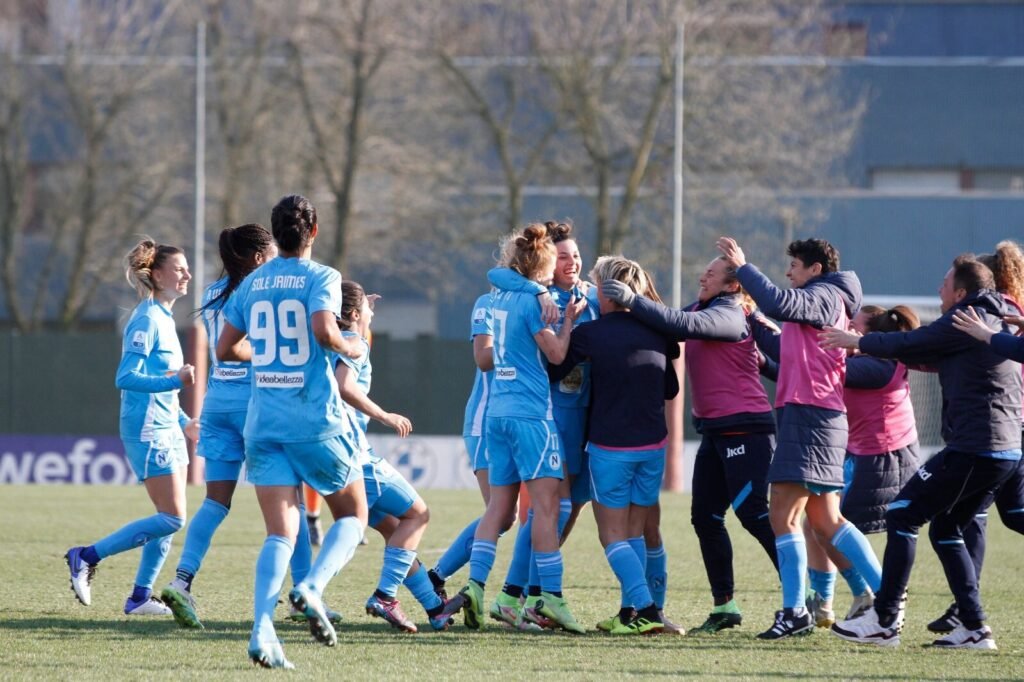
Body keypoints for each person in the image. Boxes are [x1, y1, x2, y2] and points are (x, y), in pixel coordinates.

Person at [824, 254, 1022, 650]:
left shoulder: (966, 316)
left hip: (977, 447)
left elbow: (914, 342)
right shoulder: (989, 317)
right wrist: (883, 350)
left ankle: (884, 620)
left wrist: (858, 341)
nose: (938, 289)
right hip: (1001, 449)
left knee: (902, 513)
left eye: (944, 283)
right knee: (946, 528)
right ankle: (974, 628)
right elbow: (928, 354)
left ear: (961, 292)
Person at [217, 194, 365, 669]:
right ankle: (312, 587)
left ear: (275, 234)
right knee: (354, 514)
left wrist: (265, 356)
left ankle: (262, 630)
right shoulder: (323, 276)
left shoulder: (253, 282)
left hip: (263, 424)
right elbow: (324, 332)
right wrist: (352, 348)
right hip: (313, 420)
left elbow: (225, 349)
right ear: (314, 231)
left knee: (279, 534)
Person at [716, 236, 882, 640]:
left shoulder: (823, 294)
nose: (788, 272)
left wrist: (744, 268)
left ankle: (795, 612)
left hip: (810, 415)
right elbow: (785, 342)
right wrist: (754, 321)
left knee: (783, 515)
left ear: (815, 269)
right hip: (817, 416)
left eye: (794, 266)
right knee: (825, 519)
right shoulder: (825, 298)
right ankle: (886, 596)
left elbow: (779, 303)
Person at [603, 255, 779, 634]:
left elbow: (682, 325)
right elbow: (667, 323)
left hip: (746, 429)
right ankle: (725, 606)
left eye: (711, 274)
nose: (703, 277)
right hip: (716, 431)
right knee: (706, 518)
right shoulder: (703, 308)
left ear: (732, 285)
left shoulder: (730, 312)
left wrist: (633, 299)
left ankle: (801, 599)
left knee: (753, 514)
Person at [439, 224, 586, 634]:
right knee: (547, 506)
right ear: (542, 266)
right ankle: (550, 596)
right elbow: (556, 354)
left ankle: (475, 587)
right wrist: (569, 321)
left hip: (497, 415)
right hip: (531, 414)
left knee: (497, 509)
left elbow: (497, 278)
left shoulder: (497, 297)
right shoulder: (534, 302)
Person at [758, 305, 921, 628]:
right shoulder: (867, 361)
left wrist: (766, 331)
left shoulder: (878, 366)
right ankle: (827, 602)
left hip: (882, 460)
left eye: (851, 326)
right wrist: (766, 361)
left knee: (829, 524)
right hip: (858, 454)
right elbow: (804, 370)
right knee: (816, 523)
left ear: (869, 336)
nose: (843, 328)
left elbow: (814, 368)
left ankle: (876, 595)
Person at [65, 238, 198, 617]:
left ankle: (140, 597)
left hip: (167, 426)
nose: (187, 275)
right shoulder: (147, 319)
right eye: (179, 269)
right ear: (157, 275)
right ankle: (86, 556)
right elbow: (125, 377)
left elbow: (162, 383)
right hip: (147, 429)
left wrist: (185, 422)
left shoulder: (166, 319)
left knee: (166, 522)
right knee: (172, 517)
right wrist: (175, 380)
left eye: (187, 268)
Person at [550, 256, 679, 635]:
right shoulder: (657, 331)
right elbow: (670, 389)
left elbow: (555, 370)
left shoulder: (591, 334)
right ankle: (630, 614)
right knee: (635, 532)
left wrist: (567, 324)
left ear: (607, 293)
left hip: (611, 448)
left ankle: (646, 609)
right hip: (653, 447)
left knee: (611, 535)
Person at [483, 220, 600, 629]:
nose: (572, 263)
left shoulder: (591, 296)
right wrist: (540, 293)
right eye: (563, 257)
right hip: (550, 412)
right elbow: (498, 274)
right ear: (547, 262)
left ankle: (521, 595)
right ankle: (522, 594)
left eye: (577, 256)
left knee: (564, 508)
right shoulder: (542, 297)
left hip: (583, 416)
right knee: (549, 508)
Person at [329, 280, 451, 633]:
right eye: (367, 307)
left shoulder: (330, 342)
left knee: (397, 530)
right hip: (355, 456)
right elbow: (344, 385)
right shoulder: (355, 343)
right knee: (419, 514)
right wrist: (385, 416)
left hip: (331, 451)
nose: (372, 311)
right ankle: (384, 596)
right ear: (354, 314)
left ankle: (435, 608)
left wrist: (360, 304)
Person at [927, 241, 1024, 634]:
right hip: (1011, 426)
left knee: (960, 519)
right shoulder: (1011, 309)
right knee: (1008, 514)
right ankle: (964, 608)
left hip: (1004, 427)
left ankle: (966, 611)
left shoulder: (991, 311)